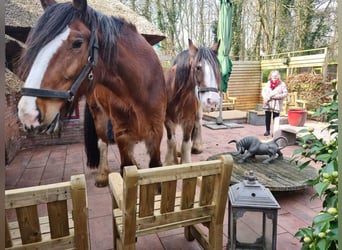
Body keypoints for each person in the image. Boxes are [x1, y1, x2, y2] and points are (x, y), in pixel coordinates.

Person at [262, 70, 288, 136]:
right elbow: (263, 91)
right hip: (268, 103)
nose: (274, 77)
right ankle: (267, 130)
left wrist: (276, 96)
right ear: (270, 76)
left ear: (278, 76)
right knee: (267, 117)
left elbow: (285, 94)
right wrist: (265, 97)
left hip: (277, 104)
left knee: (276, 119)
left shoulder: (282, 84)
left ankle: (275, 132)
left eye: (276, 76)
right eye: (273, 76)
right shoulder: (268, 83)